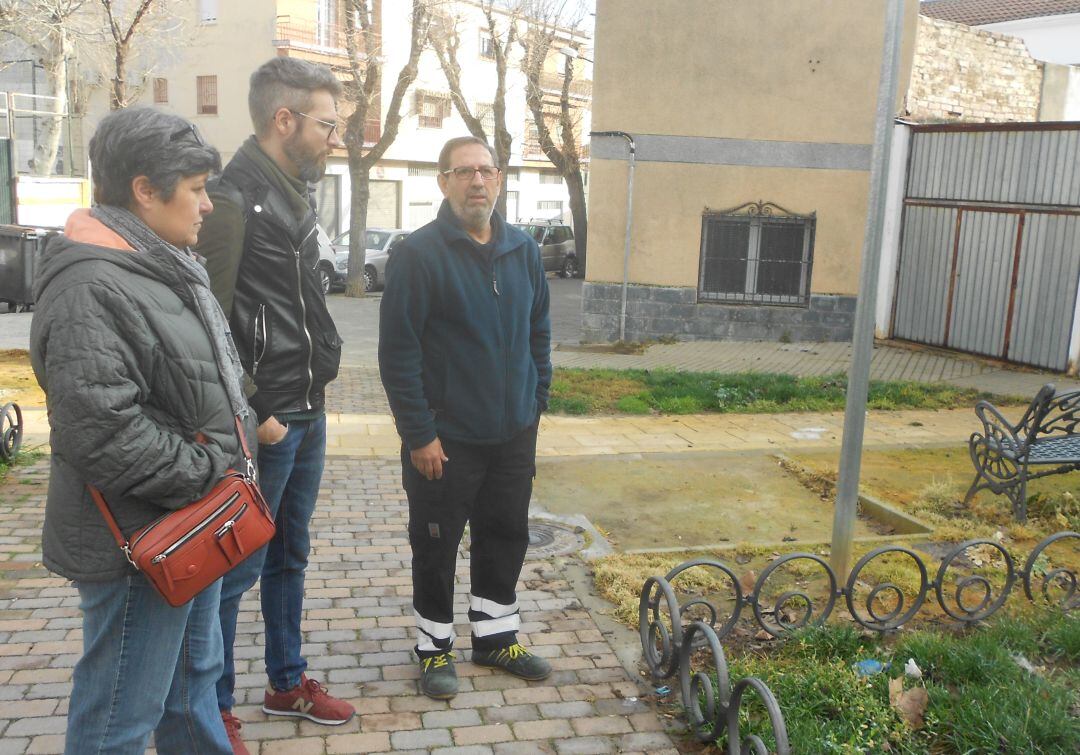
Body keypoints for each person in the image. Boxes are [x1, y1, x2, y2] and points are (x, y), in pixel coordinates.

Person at [29, 107, 245, 754]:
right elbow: (101, 431)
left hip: (189, 519)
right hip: (139, 539)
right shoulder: (92, 284)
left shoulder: (157, 262)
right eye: (196, 188)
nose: (208, 205)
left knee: (190, 688)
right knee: (118, 716)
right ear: (144, 190)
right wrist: (209, 469)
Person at [194, 57, 352, 752]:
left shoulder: (295, 191)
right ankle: (215, 705)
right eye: (327, 124)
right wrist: (256, 410)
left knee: (291, 553)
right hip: (269, 418)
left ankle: (286, 681)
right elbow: (206, 321)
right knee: (240, 567)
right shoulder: (230, 202)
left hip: (307, 405)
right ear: (283, 119)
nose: (335, 138)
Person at [379, 135, 553, 700]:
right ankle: (433, 649)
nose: (477, 182)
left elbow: (538, 333)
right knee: (436, 543)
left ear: (499, 178)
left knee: (505, 536)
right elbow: (398, 352)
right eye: (464, 172)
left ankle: (496, 638)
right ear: (443, 181)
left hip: (512, 435)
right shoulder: (418, 254)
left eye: (486, 171)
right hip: (444, 440)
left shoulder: (524, 250)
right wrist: (418, 434)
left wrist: (535, 400)